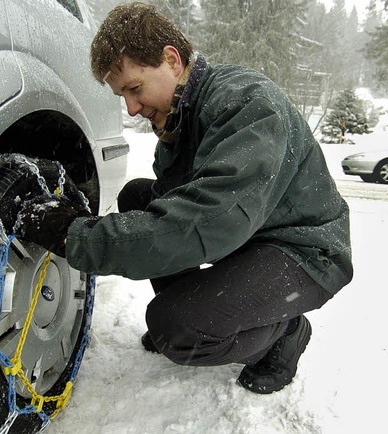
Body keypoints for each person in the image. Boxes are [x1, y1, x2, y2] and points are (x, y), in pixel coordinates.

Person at [17, 2, 353, 394]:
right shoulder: (180, 120)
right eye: (121, 96)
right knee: (139, 197)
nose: (130, 108)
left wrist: (77, 235)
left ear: (171, 60)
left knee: (176, 330)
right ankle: (197, 311)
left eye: (134, 88)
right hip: (252, 233)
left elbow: (208, 221)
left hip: (304, 252)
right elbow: (174, 209)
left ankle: (283, 332)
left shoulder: (247, 105)